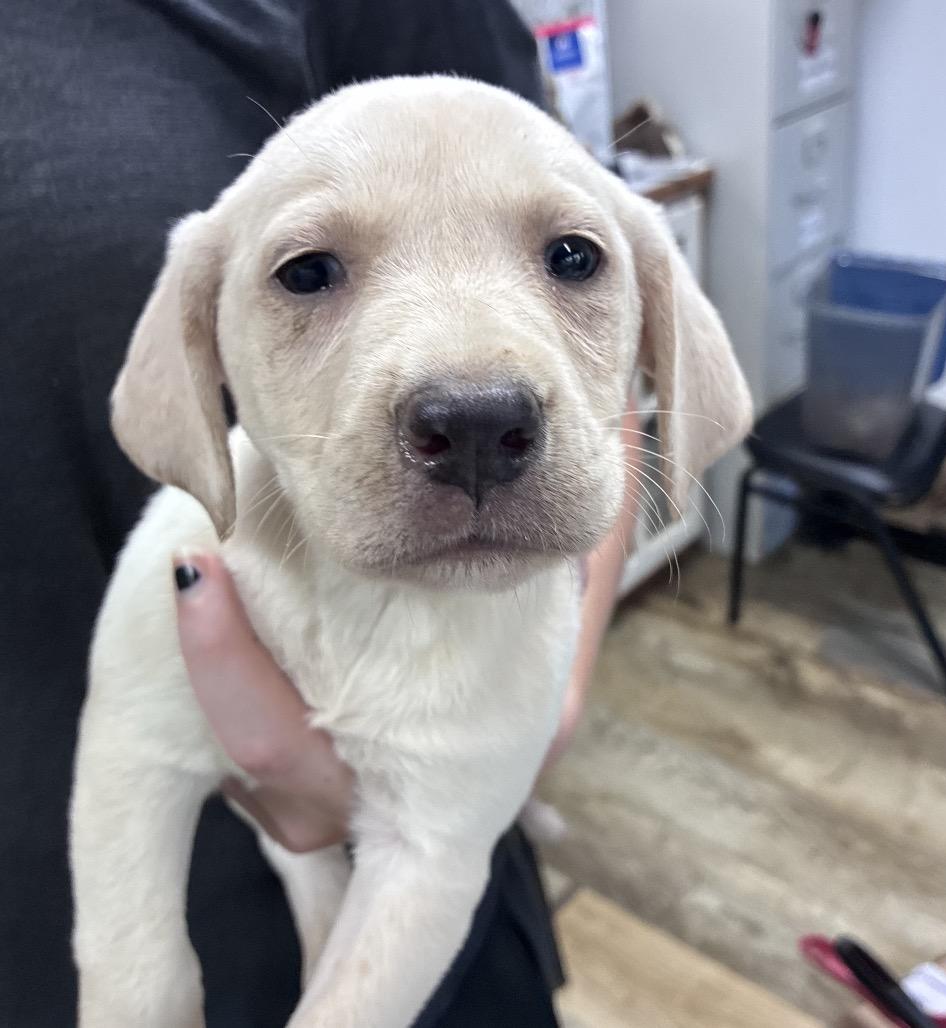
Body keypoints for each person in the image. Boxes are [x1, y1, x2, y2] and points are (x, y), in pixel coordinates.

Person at [1, 1, 639, 1024]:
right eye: (309, 271)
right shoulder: (194, 371)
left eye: (565, 258)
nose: (470, 384)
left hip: (435, 848)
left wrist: (540, 701)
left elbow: (603, 369)